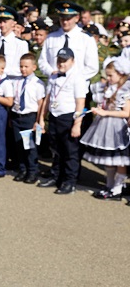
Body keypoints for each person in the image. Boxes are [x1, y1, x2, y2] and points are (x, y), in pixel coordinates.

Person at [36, 47, 87, 194]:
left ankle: (69, 182)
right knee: (56, 149)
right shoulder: (53, 76)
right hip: (54, 116)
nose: (61, 64)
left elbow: (80, 103)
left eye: (64, 61)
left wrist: (77, 124)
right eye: (59, 60)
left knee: (70, 151)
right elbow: (47, 99)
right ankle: (56, 176)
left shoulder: (77, 78)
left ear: (72, 61)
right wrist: (41, 118)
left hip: (68, 117)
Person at [80, 57, 130, 199]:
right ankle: (109, 185)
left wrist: (105, 112)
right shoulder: (109, 88)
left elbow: (126, 112)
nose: (107, 78)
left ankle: (118, 188)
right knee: (108, 159)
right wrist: (100, 109)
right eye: (107, 75)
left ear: (120, 74)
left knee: (120, 160)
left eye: (110, 75)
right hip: (104, 126)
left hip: (118, 128)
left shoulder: (125, 90)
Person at [9, 53, 46, 184]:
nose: (23, 69)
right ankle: (22, 169)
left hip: (29, 118)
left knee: (30, 146)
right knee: (19, 145)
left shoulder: (38, 83)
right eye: (21, 66)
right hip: (17, 116)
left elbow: (41, 103)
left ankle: (32, 171)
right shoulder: (17, 81)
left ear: (34, 67)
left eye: (26, 66)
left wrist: (38, 121)